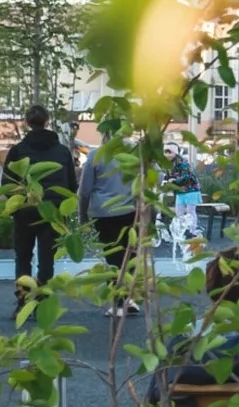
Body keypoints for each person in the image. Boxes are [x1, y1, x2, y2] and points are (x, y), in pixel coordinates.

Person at [8, 106, 78, 310]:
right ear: (47, 121)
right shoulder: (62, 151)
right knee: (47, 259)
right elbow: (72, 185)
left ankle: (23, 302)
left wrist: (16, 206)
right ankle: (43, 298)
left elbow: (8, 182)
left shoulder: (18, 150)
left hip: (25, 211)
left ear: (27, 122)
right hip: (53, 211)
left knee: (23, 258)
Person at [78, 139, 141, 314]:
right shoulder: (136, 153)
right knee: (131, 255)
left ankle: (118, 303)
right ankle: (129, 298)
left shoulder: (95, 155)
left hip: (104, 212)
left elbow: (84, 191)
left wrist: (82, 216)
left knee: (113, 257)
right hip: (132, 211)